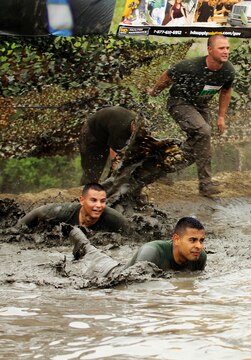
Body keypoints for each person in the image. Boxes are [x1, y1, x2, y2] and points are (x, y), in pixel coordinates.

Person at [147, 34, 235, 197]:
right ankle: (206, 184)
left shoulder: (228, 70)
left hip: (201, 106)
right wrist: (154, 91)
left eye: (227, 48)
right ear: (209, 50)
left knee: (200, 148)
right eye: (221, 48)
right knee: (203, 131)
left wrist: (221, 117)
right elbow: (167, 76)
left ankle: (159, 166)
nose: (226, 52)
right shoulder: (190, 66)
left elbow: (226, 91)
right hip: (179, 102)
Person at [68, 216, 207, 279]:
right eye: (193, 240)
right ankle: (72, 230)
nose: (198, 246)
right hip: (107, 271)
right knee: (89, 251)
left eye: (201, 241)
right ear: (176, 239)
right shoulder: (152, 252)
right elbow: (130, 286)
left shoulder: (200, 257)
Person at [17, 183, 130, 234]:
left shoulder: (114, 219)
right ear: (82, 200)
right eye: (93, 200)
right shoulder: (61, 213)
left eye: (103, 201)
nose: (99, 206)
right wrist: (18, 229)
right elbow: (38, 212)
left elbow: (134, 235)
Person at [79, 106, 137, 185]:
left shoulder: (134, 126)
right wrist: (116, 167)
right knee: (93, 171)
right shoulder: (121, 128)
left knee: (118, 167)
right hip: (91, 133)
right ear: (133, 125)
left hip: (105, 134)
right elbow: (114, 153)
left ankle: (107, 187)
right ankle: (87, 190)